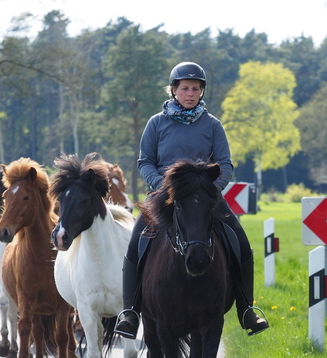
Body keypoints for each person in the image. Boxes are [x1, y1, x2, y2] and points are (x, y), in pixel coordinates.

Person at [114, 61, 269, 340]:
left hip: (204, 198)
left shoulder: (212, 125)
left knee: (240, 242)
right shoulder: (156, 123)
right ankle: (131, 312)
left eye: (195, 89)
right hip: (163, 196)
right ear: (174, 90)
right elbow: (145, 161)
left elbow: (225, 164)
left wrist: (210, 188)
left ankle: (247, 309)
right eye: (184, 88)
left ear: (201, 92)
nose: (190, 93)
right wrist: (164, 187)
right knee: (136, 244)